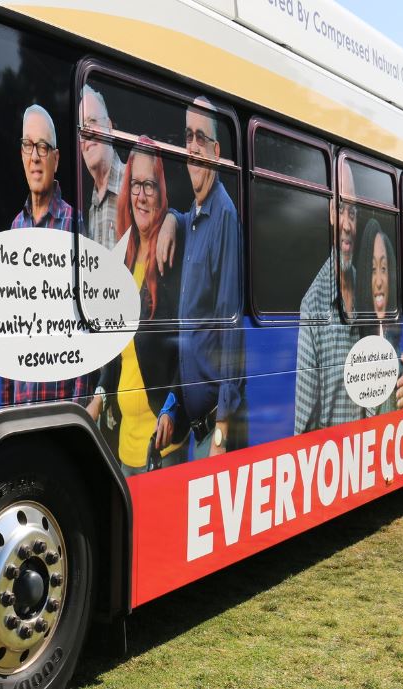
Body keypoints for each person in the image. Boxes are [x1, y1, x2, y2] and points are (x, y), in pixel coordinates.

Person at [152, 97, 246, 458]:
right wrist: (173, 218)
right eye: (188, 136)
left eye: (201, 138)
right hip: (194, 428)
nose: (192, 146)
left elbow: (229, 326)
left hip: (214, 432)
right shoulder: (194, 215)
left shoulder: (223, 217)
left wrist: (221, 434)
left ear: (216, 151)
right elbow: (194, 335)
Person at [86, 139, 183, 475]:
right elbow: (117, 350)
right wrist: (99, 395)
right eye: (136, 184)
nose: (142, 195)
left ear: (161, 191)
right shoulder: (123, 263)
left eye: (150, 185)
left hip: (162, 443)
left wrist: (173, 407)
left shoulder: (170, 255)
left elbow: (186, 346)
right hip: (127, 443)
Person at [294, 163, 403, 434]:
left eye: (353, 212)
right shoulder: (313, 305)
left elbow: (391, 349)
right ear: (330, 214)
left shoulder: (368, 288)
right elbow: (303, 427)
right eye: (341, 210)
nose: (347, 224)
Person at [2, 104, 87, 404]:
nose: (35, 156)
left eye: (43, 146)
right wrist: (7, 402)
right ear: (21, 154)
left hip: (61, 403)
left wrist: (76, 406)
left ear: (56, 158)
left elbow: (85, 325)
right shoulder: (14, 229)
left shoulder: (75, 225)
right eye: (28, 145)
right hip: (21, 403)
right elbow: (10, 324)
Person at [355, 220, 403, 415]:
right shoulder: (355, 340)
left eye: (384, 269)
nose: (379, 281)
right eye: (372, 270)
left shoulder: (397, 345)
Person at [79, 85, 125, 249]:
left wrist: (173, 219)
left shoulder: (134, 181)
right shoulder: (92, 208)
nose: (87, 133)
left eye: (92, 121)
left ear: (110, 127)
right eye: (82, 129)